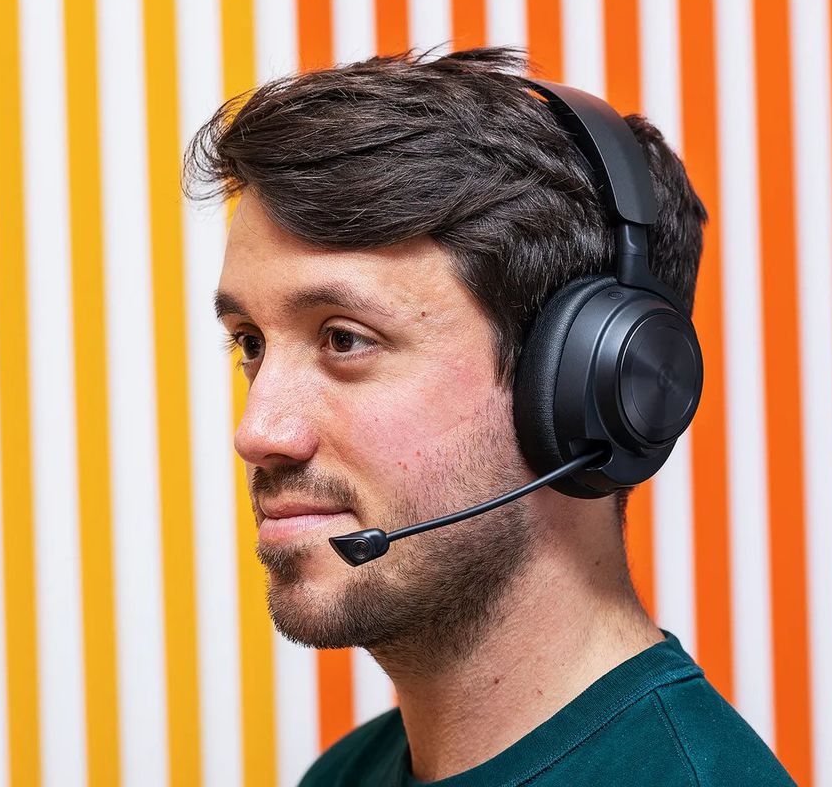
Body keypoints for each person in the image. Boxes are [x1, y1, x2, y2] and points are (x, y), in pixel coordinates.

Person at [189, 47, 794, 786]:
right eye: (250, 342)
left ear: (586, 386)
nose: (258, 433)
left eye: (344, 338)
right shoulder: (348, 773)